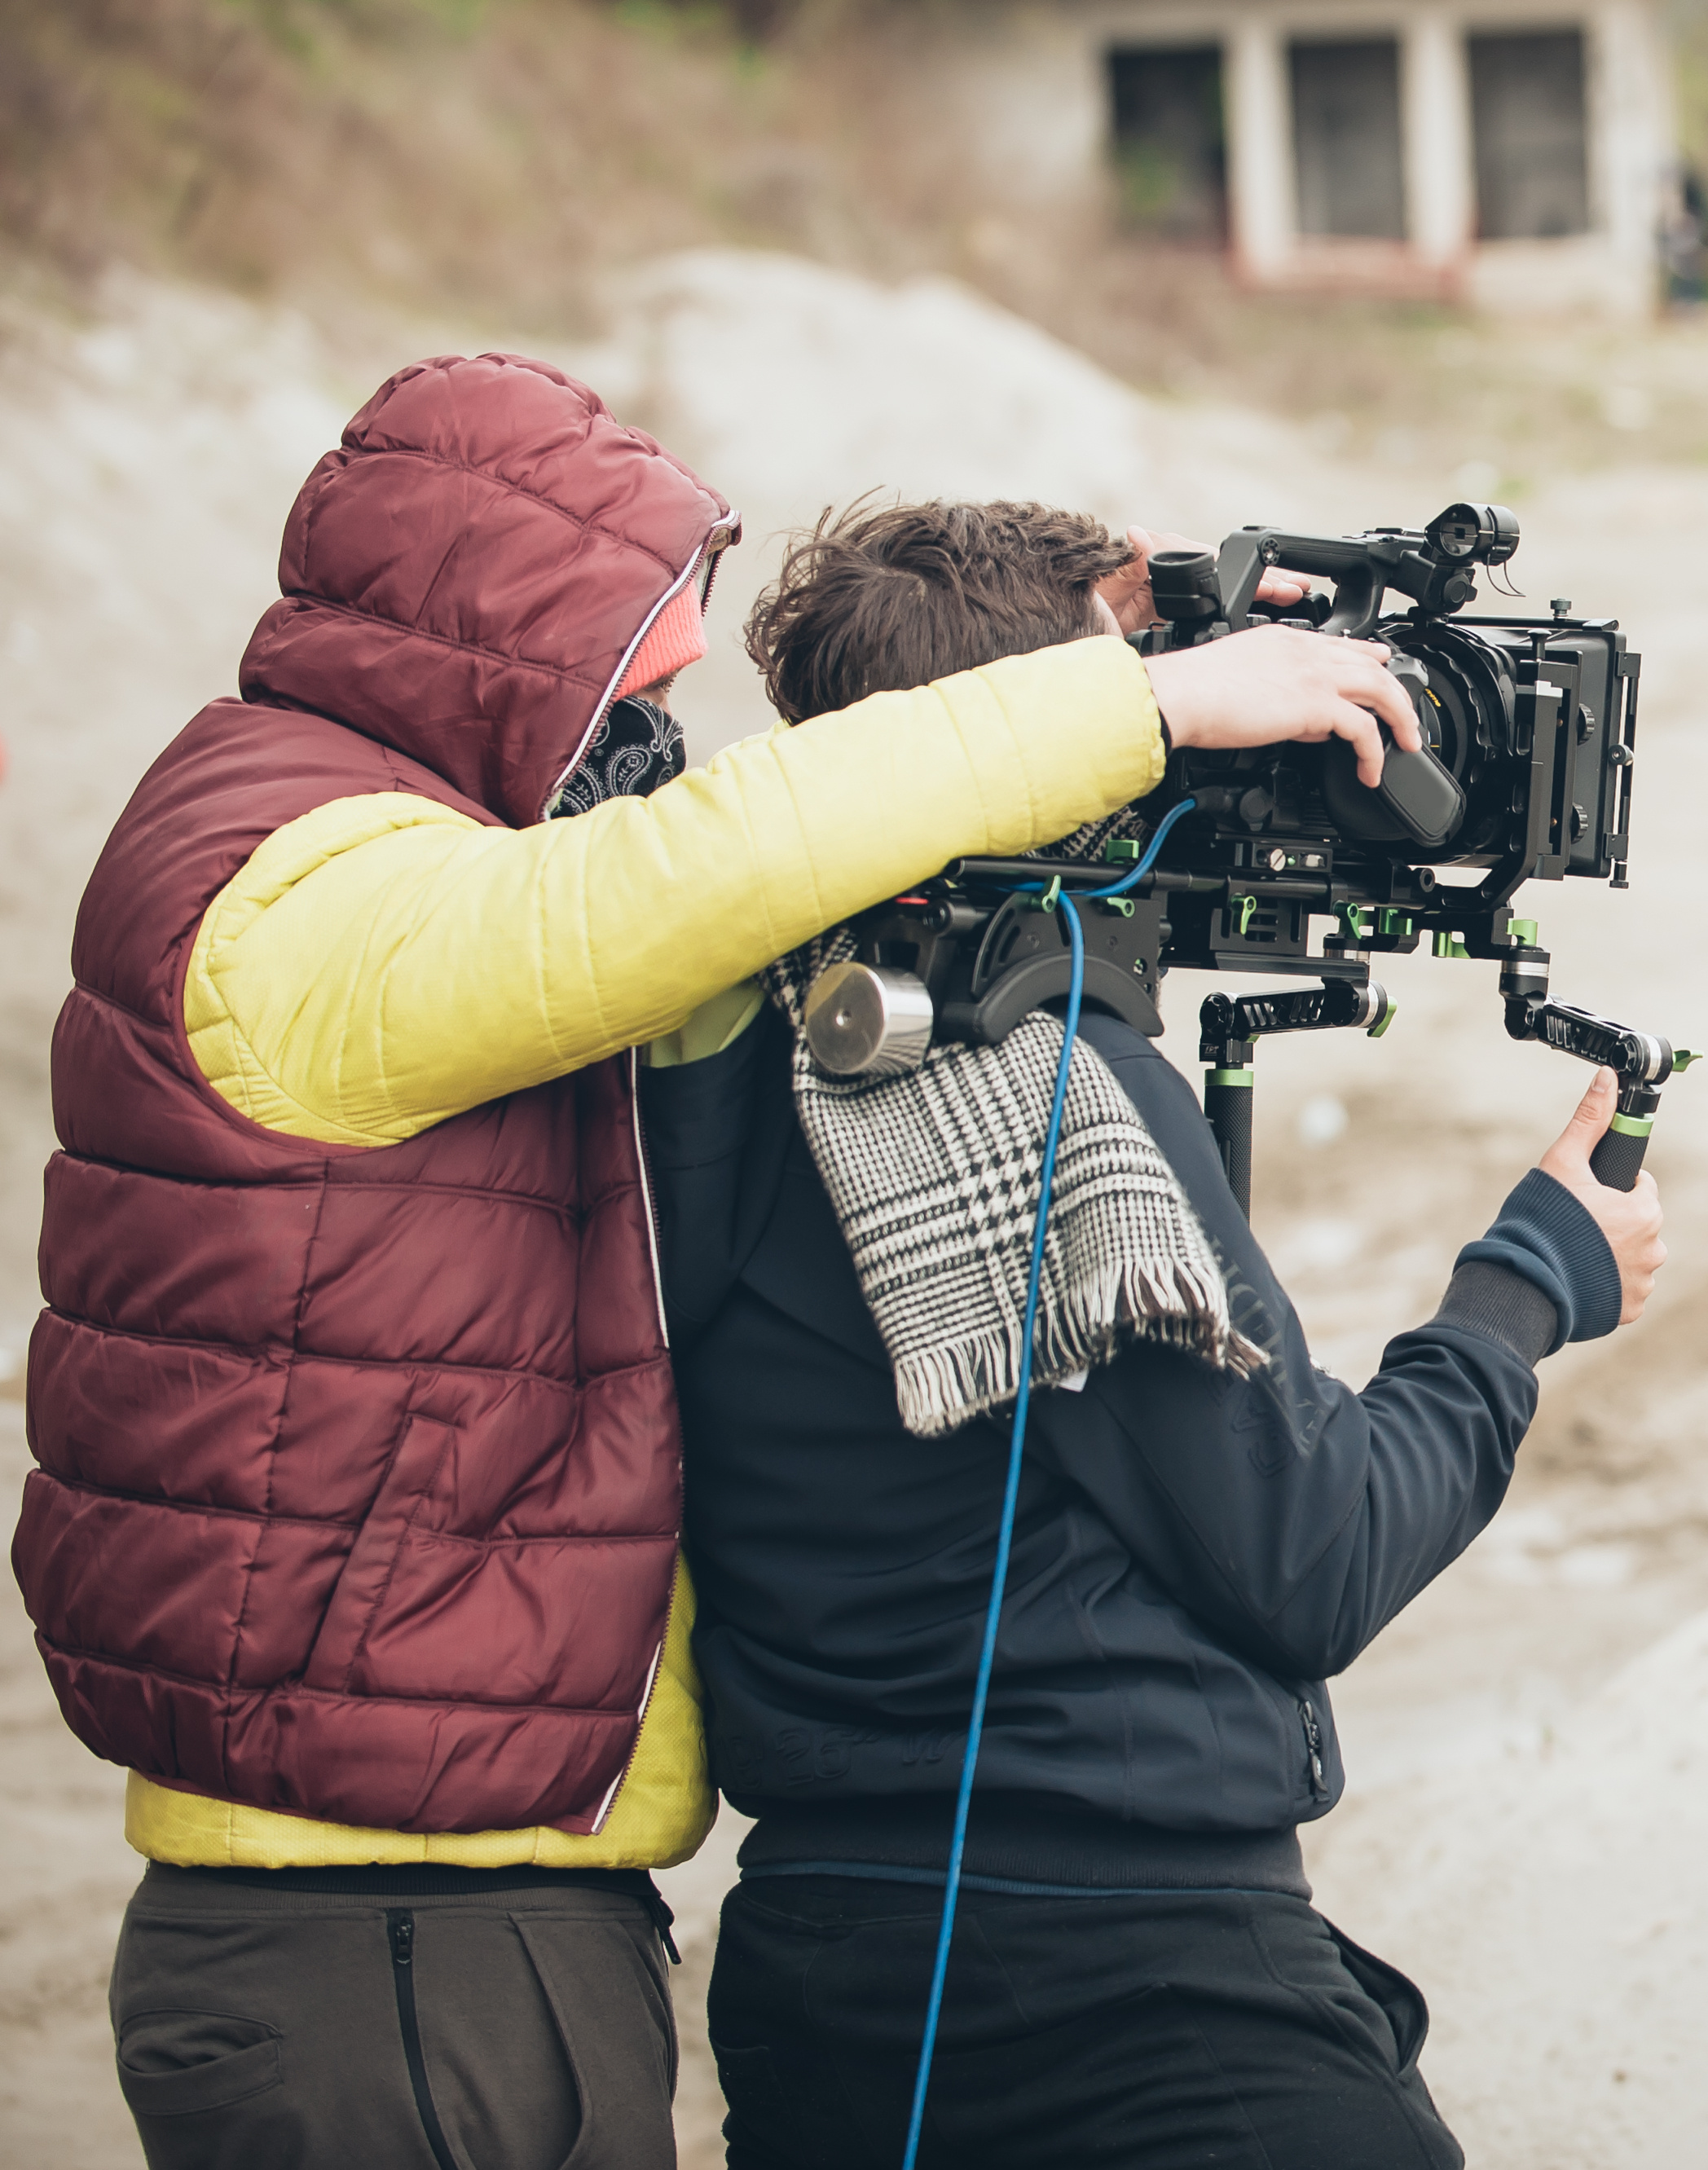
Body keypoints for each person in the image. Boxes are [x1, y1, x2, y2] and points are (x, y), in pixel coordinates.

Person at [17, 354, 1417, 2169]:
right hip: (390, 1941)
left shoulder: (342, 844)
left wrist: (1098, 615)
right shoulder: (308, 900)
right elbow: (690, 877)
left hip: (446, 1902)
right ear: (495, 643)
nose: (670, 713)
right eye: (637, 662)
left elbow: (729, 882)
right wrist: (1135, 703)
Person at [639, 497, 1665, 2168]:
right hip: (1125, 1984)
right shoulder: (1043, 1107)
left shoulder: (725, 1057)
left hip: (824, 1961)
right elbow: (1309, 1554)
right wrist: (1530, 1282)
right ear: (1052, 756)